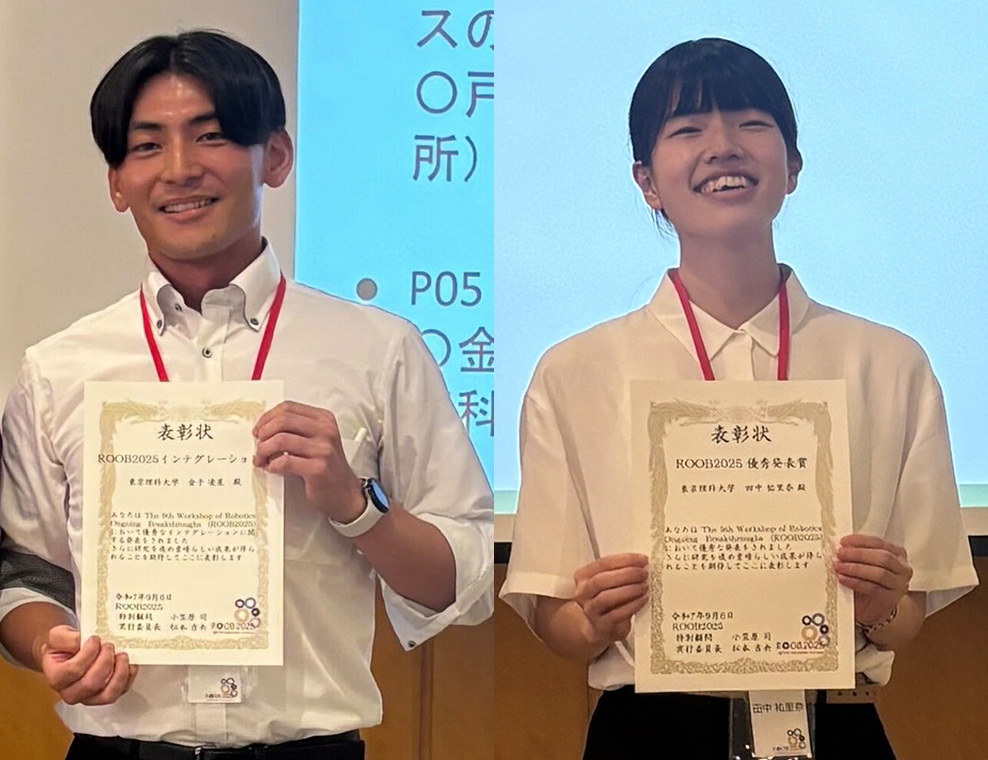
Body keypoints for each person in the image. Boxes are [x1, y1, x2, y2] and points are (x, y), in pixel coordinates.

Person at [0, 30, 492, 759]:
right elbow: (25, 573)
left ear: (278, 156)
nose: (180, 169)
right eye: (146, 146)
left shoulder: (378, 349)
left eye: (213, 136)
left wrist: (357, 506)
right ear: (116, 183)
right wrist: (52, 644)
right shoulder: (58, 369)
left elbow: (461, 580)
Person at [499, 38, 977, 759]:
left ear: (794, 166)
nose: (722, 146)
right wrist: (593, 618)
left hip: (833, 724)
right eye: (687, 129)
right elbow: (557, 622)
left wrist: (881, 605)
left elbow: (906, 617)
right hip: (652, 731)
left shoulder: (888, 363)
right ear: (646, 181)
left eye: (752, 123)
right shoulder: (576, 372)